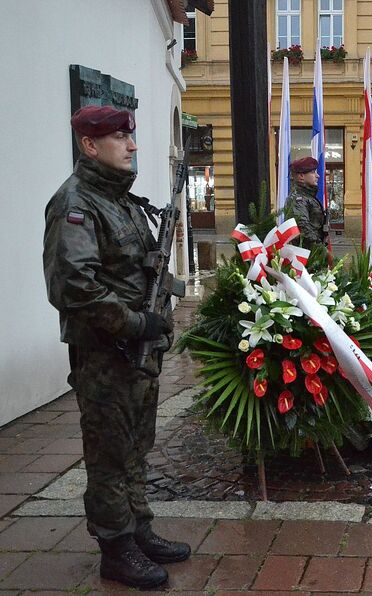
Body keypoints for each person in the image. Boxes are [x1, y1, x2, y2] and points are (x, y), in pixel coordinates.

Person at [43, 106, 190, 589]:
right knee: (108, 453)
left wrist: (163, 300)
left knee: (135, 447)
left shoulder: (122, 201)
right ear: (90, 145)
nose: (132, 146)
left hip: (137, 354)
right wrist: (137, 322)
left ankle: (138, 529)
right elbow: (73, 287)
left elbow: (137, 270)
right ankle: (116, 548)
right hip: (106, 355)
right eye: (121, 139)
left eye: (131, 137)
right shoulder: (75, 203)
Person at [289, 156, 328, 249]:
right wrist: (322, 251)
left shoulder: (307, 197)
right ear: (301, 176)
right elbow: (303, 228)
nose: (317, 176)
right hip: (307, 254)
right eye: (313, 172)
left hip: (313, 252)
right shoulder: (299, 199)